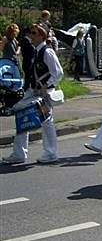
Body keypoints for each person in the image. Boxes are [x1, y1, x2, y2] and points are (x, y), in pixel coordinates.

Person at [2, 22, 63, 165]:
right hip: (34, 91)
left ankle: (50, 153)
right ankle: (19, 153)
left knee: (47, 121)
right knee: (22, 115)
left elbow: (58, 72)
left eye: (34, 33)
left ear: (42, 35)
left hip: (44, 93)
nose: (31, 36)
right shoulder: (37, 50)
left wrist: (46, 86)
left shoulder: (47, 51)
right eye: (31, 32)